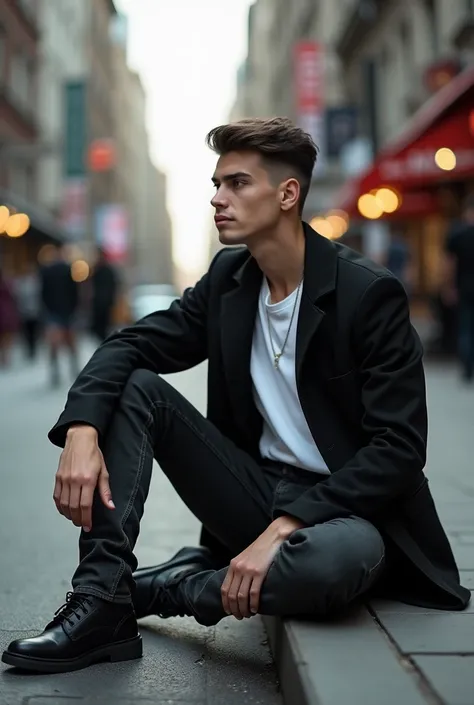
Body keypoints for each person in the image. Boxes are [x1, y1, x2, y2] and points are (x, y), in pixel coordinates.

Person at [2, 118, 469, 674]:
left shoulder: (369, 295)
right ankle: (101, 597)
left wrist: (285, 527)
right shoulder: (229, 279)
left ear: (287, 194)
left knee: (337, 564)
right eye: (216, 184)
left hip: (343, 514)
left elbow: (397, 448)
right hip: (251, 490)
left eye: (238, 183)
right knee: (138, 388)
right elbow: (130, 344)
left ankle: (164, 590)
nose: (218, 199)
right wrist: (82, 430)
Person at [443, 197, 474, 381]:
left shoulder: (457, 234)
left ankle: (467, 368)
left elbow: (450, 264)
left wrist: (449, 287)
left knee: (465, 327)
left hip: (463, 286)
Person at [40, 245, 80, 387]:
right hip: (66, 311)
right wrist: (75, 309)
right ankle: (74, 369)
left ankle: (56, 372)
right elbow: (75, 292)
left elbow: (43, 293)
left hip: (54, 312)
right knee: (70, 343)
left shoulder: (46, 271)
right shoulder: (67, 269)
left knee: (55, 344)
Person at [90, 249, 118, 343]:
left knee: (103, 327)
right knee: (99, 328)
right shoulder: (98, 270)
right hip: (99, 303)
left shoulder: (106, 271)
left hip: (104, 303)